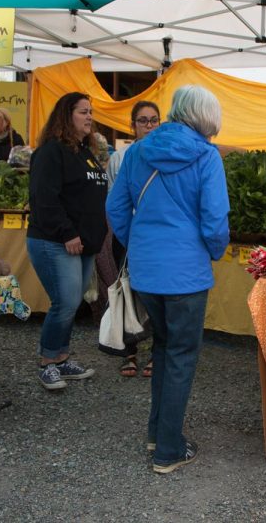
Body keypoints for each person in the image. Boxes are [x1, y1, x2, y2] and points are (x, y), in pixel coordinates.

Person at [106, 85, 229, 474]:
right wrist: (213, 251)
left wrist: (138, 243)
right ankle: (168, 450)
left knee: (163, 350)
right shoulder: (207, 155)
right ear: (206, 119)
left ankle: (157, 434)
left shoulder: (137, 151)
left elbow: (115, 207)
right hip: (186, 274)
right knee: (180, 357)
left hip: (146, 271)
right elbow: (214, 219)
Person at [26, 92, 108, 390]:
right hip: (55, 242)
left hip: (84, 244)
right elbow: (44, 199)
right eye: (83, 112)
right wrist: (68, 233)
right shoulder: (51, 152)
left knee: (72, 305)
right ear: (66, 115)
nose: (89, 117)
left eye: (90, 112)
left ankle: (61, 358)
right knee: (66, 302)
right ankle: (47, 361)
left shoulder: (84, 151)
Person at [106, 100, 161, 378]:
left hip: (153, 238)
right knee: (127, 292)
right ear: (133, 125)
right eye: (143, 121)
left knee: (156, 296)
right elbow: (115, 204)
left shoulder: (166, 155)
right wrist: (128, 237)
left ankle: (155, 354)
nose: (149, 126)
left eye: (153, 120)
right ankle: (128, 354)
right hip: (130, 236)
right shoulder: (121, 157)